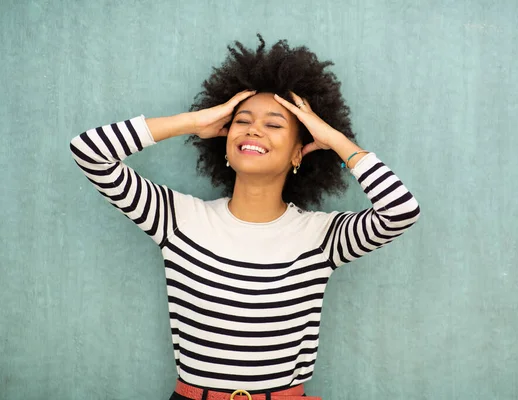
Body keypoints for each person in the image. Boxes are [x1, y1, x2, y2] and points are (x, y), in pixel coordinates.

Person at [70, 35, 420, 400]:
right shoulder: (176, 219)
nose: (253, 129)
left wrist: (335, 140)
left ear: (299, 153)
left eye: (274, 124)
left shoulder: (322, 237)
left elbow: (400, 211)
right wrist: (192, 122)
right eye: (242, 120)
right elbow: (89, 153)